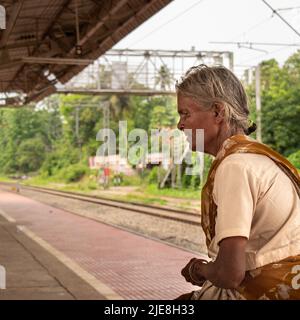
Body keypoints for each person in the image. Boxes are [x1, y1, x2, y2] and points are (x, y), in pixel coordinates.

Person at [175, 64, 300, 300]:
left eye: (185, 113)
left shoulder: (234, 166)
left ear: (218, 112)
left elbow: (229, 274)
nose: (180, 124)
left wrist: (199, 269)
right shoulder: (257, 157)